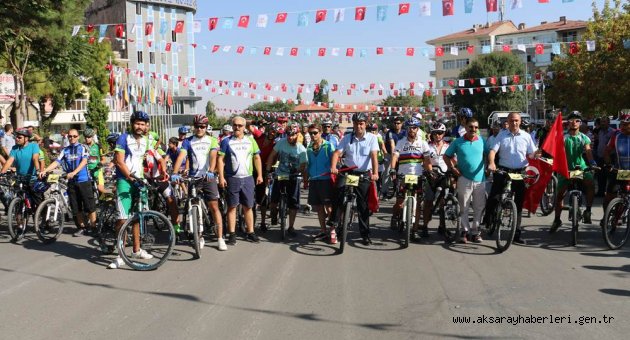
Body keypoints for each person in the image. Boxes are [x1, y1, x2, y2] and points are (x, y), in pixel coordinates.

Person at [107, 111, 154, 269]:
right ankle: (120, 254)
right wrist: (131, 178)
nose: (139, 127)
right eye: (137, 123)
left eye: (142, 124)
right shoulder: (123, 138)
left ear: (146, 126)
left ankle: (136, 250)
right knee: (122, 219)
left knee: (136, 218)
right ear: (132, 124)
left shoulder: (146, 141)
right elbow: (119, 162)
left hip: (139, 182)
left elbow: (145, 161)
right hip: (125, 182)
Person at [171, 115, 225, 249]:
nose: (200, 129)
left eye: (202, 126)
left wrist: (211, 170)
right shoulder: (188, 141)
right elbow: (181, 156)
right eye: (197, 126)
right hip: (193, 178)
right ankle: (199, 235)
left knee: (214, 207)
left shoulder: (212, 140)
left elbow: (213, 155)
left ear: (206, 127)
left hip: (208, 177)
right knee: (192, 204)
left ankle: (220, 238)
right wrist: (175, 173)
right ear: (193, 127)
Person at [486, 112, 539, 244]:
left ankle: (516, 234)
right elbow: (493, 151)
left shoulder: (526, 136)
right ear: (507, 122)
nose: (514, 123)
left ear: (520, 122)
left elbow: (531, 155)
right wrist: (492, 163)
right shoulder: (501, 135)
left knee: (519, 204)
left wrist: (536, 154)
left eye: (516, 120)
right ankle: (488, 220)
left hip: (520, 172)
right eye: (511, 121)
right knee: (494, 196)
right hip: (503, 170)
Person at [330, 112, 379, 245]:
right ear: (353, 124)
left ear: (365, 124)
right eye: (356, 123)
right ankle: (334, 223)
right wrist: (334, 166)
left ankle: (365, 235)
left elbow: (374, 156)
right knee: (338, 193)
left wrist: (375, 173)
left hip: (363, 174)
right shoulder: (347, 138)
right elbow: (337, 153)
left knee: (363, 206)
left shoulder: (372, 138)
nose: (359, 126)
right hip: (348, 171)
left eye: (361, 123)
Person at [40, 128, 97, 236]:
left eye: (74, 136)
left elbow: (84, 161)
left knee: (90, 206)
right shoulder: (65, 150)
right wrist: (45, 170)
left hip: (83, 180)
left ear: (78, 137)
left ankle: (94, 227)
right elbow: (57, 162)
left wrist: (74, 172)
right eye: (70, 136)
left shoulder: (82, 148)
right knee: (76, 207)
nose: (72, 138)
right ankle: (82, 227)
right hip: (71, 181)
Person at [217, 116, 263, 244]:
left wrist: (259, 175)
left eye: (240, 125)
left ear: (244, 127)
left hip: (248, 178)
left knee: (248, 206)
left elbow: (257, 158)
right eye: (235, 125)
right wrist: (221, 177)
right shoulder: (226, 141)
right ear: (232, 126)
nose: (237, 128)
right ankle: (232, 233)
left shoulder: (251, 141)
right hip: (233, 179)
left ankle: (250, 232)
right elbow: (220, 160)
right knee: (232, 207)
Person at [549, 111, 597, 232]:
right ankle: (557, 220)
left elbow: (588, 151)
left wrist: (592, 163)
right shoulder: (562, 137)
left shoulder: (584, 137)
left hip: (580, 169)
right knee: (559, 195)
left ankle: (588, 210)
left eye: (577, 120)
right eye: (571, 120)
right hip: (565, 169)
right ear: (568, 123)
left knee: (590, 184)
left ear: (580, 123)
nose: (574, 123)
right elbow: (555, 152)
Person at [443, 118, 486, 243]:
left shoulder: (482, 141)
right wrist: (452, 168)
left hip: (480, 180)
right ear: (466, 127)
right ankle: (464, 231)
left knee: (479, 207)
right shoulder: (458, 142)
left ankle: (476, 232)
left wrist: (491, 163)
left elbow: (490, 153)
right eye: (471, 127)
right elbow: (447, 156)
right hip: (464, 179)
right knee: (464, 207)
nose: (473, 129)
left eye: (476, 127)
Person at [389, 117, 432, 240]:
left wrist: (429, 171)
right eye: (410, 128)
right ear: (406, 129)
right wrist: (393, 169)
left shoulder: (423, 143)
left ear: (417, 129)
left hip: (418, 176)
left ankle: (414, 230)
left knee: (418, 203)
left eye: (414, 128)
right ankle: (394, 215)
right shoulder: (401, 142)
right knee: (400, 202)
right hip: (403, 175)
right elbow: (395, 157)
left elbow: (427, 160)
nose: (412, 130)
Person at [266, 123, 308, 237]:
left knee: (293, 204)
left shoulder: (301, 148)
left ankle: (291, 227)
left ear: (297, 134)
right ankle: (274, 215)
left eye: (293, 135)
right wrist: (268, 170)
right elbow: (272, 156)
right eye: (288, 134)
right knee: (273, 201)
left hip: (294, 177)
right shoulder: (281, 143)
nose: (290, 137)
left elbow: (304, 165)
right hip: (280, 175)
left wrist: (303, 177)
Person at [305, 123, 336, 243]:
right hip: (314, 180)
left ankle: (333, 230)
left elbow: (335, 159)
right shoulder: (309, 147)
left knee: (329, 207)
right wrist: (306, 179)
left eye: (315, 133)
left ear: (320, 132)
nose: (313, 135)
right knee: (318, 208)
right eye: (310, 133)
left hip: (326, 180)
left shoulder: (329, 146)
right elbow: (309, 165)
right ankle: (323, 231)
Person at [249, 122, 280, 232]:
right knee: (248, 197)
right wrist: (254, 122)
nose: (273, 133)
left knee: (262, 197)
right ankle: (248, 221)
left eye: (275, 132)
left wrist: (268, 170)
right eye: (271, 130)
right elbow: (249, 126)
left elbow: (274, 159)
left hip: (264, 170)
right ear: (267, 129)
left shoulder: (274, 144)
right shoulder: (259, 135)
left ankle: (262, 222)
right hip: (250, 168)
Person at [422, 122, 451, 238]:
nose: (437, 135)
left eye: (440, 133)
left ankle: (442, 227)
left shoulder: (448, 146)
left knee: (443, 203)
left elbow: (453, 160)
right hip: (431, 176)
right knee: (428, 202)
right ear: (432, 134)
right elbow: (426, 161)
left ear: (443, 134)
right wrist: (429, 171)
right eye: (435, 133)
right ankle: (424, 226)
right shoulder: (427, 146)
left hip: (444, 175)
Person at [603, 113, 630, 213]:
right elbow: (606, 151)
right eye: (622, 124)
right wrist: (608, 163)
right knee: (609, 196)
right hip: (620, 171)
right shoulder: (617, 135)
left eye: (626, 124)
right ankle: (605, 217)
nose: (623, 126)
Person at [594, 116, 614, 197]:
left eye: (604, 122)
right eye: (601, 122)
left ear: (608, 123)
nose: (602, 123)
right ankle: (601, 192)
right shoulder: (600, 131)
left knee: (610, 176)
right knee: (600, 176)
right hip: (600, 157)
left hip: (609, 157)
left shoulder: (612, 132)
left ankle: (610, 193)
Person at [84, 128, 106, 195]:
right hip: (86, 172)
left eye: (89, 137)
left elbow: (104, 159)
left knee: (100, 189)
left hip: (97, 171)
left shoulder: (98, 146)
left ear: (92, 137)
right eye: (85, 137)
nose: (87, 139)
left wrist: (100, 163)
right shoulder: (82, 146)